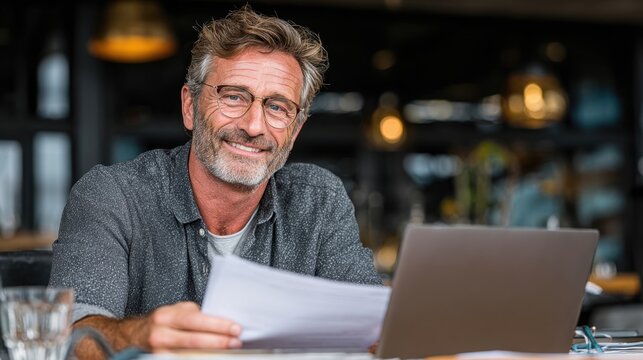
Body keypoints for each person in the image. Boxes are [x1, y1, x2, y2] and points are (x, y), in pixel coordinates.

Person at [48, 5, 381, 358]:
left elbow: (374, 325)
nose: (254, 126)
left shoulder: (319, 202)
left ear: (295, 130)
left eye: (277, 107)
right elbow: (68, 334)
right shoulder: (114, 196)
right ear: (190, 106)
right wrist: (139, 334)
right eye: (234, 96)